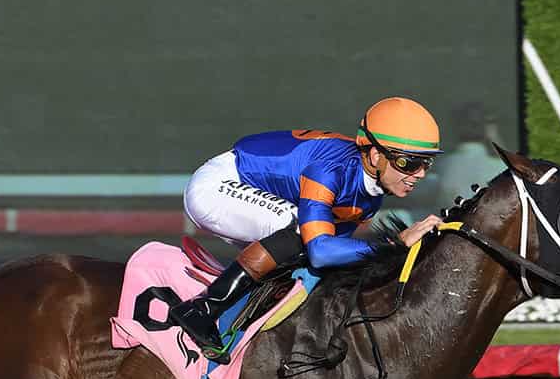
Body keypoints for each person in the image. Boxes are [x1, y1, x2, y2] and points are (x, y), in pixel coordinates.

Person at [169, 97, 445, 361]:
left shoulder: (370, 198)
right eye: (408, 163)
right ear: (375, 156)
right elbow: (321, 251)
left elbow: (335, 256)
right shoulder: (330, 170)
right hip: (216, 186)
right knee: (299, 231)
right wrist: (393, 246)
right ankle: (201, 310)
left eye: (426, 163)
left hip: (257, 195)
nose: (420, 173)